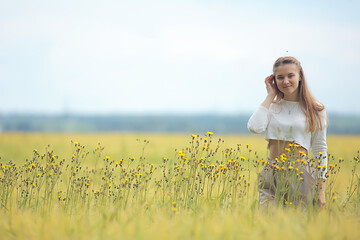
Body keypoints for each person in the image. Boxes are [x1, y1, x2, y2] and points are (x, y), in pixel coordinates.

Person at [247, 56, 327, 209]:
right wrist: (270, 95)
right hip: (271, 171)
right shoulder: (271, 106)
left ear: (300, 77)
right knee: (268, 222)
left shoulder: (315, 109)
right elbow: (254, 127)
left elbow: (319, 149)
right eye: (280, 77)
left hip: (300, 173)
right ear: (274, 80)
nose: (285, 81)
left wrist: (321, 189)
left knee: (298, 224)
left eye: (290, 75)